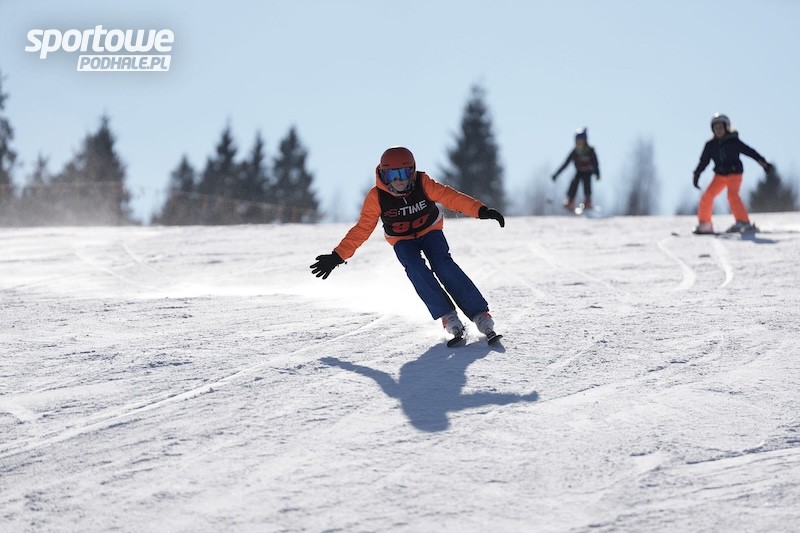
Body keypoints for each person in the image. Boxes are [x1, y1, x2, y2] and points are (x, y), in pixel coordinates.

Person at [309, 146, 505, 342]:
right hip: (402, 240)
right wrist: (338, 256)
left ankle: (479, 314)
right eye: (391, 175)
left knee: (443, 264)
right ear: (383, 175)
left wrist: (481, 210)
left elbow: (451, 197)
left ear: (412, 172)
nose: (398, 180)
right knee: (414, 267)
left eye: (403, 173)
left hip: (430, 231)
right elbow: (362, 229)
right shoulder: (377, 197)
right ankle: (448, 315)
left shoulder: (423, 183)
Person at [692, 113, 772, 234]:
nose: (718, 130)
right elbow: (703, 162)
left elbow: (749, 152)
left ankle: (743, 222)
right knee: (707, 196)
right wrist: (697, 174)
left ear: (727, 127)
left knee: (732, 195)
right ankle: (705, 224)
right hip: (720, 175)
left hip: (734, 173)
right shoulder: (710, 145)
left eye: (721, 127)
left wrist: (763, 163)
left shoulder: (733, 141)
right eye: (715, 128)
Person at [551, 127, 600, 210]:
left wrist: (597, 173)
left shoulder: (590, 151)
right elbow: (565, 164)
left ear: (585, 140)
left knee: (587, 182)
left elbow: (595, 163)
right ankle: (570, 201)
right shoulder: (574, 152)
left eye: (581, 140)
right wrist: (556, 174)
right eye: (578, 140)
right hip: (579, 171)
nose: (579, 142)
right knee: (574, 182)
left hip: (588, 171)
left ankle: (587, 201)